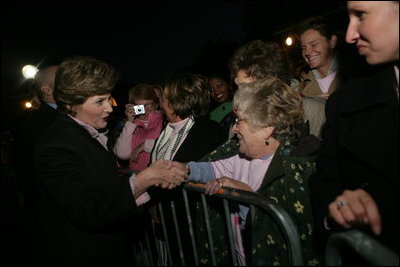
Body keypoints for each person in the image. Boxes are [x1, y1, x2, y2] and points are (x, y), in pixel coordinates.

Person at [31, 56, 187, 265]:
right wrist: (142, 180)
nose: (110, 108)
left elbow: (104, 187)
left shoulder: (84, 134)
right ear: (71, 104)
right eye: (99, 101)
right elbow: (88, 210)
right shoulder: (55, 146)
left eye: (108, 98)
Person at [179, 77, 321, 265]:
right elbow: (212, 167)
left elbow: (289, 237)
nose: (234, 128)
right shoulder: (239, 157)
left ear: (266, 129)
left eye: (240, 121)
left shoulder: (295, 171)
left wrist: (248, 197)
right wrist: (183, 169)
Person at [310, 0, 399, 260]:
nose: (350, 35)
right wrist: (339, 208)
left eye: (361, 15)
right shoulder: (345, 104)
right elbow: (326, 182)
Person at [201, 40, 315, 163]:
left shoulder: (309, 111)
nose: (239, 95)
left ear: (269, 83)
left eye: (245, 87)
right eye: (238, 87)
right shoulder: (237, 124)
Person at [297, 16, 345, 138]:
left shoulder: (353, 79)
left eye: (313, 45)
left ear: (332, 41)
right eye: (304, 48)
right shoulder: (300, 89)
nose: (307, 52)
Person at [113, 83, 164, 172]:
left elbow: (169, 147)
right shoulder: (133, 125)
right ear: (133, 106)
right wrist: (130, 121)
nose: (145, 109)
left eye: (148, 104)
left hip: (156, 176)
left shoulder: (164, 120)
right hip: (136, 177)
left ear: (155, 104)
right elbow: (122, 154)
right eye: (140, 106)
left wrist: (145, 145)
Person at [207, 72, 236, 139]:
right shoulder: (211, 115)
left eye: (219, 85)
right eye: (212, 90)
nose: (216, 92)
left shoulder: (242, 101)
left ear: (228, 84)